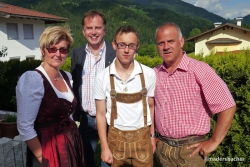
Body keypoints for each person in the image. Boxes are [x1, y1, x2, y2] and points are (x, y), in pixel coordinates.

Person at [154, 22, 236, 167]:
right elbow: (149, 108)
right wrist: (152, 136)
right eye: (161, 43)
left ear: (181, 41)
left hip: (190, 152)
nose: (166, 47)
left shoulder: (199, 70)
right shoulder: (153, 74)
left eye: (171, 41)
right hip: (162, 150)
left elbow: (227, 105)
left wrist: (214, 141)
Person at [16, 26, 85, 167]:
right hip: (47, 148)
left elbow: (67, 114)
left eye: (63, 49)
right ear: (43, 50)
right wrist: (43, 157)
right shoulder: (33, 79)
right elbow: (24, 126)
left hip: (70, 144)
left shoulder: (67, 76)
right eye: (52, 49)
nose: (58, 54)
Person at [94, 25, 156, 167]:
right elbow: (101, 114)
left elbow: (151, 106)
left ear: (137, 47)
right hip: (115, 141)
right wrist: (104, 147)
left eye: (131, 45)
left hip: (143, 140)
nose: (126, 50)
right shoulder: (102, 77)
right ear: (114, 45)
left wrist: (152, 137)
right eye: (122, 45)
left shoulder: (149, 74)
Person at [71, 10, 116, 167]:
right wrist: (76, 115)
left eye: (98, 27)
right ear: (83, 31)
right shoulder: (77, 54)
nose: (94, 32)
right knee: (86, 159)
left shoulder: (114, 53)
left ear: (104, 30)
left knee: (109, 161)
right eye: (89, 28)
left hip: (111, 119)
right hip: (87, 119)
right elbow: (76, 85)